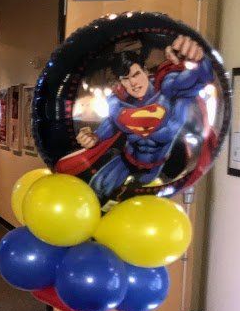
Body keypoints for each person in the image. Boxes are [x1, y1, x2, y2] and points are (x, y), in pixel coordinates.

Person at [60, 34, 212, 201]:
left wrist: (197, 57)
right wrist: (92, 137)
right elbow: (108, 127)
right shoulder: (118, 103)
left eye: (136, 74)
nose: (132, 83)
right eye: (125, 79)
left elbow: (200, 78)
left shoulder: (169, 91)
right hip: (125, 163)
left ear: (145, 71)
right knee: (96, 194)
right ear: (120, 82)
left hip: (158, 169)